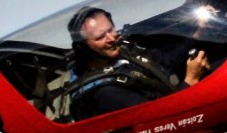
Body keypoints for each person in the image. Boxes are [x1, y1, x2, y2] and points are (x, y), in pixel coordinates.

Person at [63, 6, 211, 120]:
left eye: (111, 29)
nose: (111, 38)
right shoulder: (106, 93)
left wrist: (199, 32)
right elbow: (162, 121)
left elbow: (165, 61)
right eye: (101, 37)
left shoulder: (123, 52)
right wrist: (191, 80)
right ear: (85, 48)